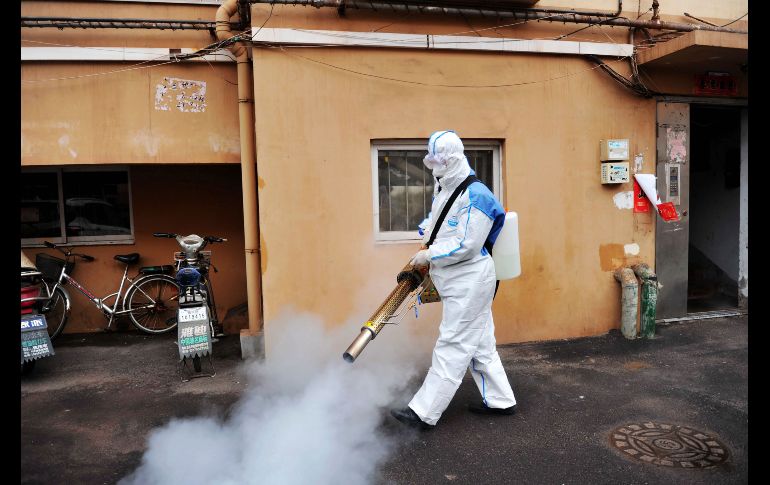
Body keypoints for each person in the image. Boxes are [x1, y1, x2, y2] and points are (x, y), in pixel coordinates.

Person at [390, 130, 517, 430]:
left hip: (470, 280)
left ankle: (423, 413)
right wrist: (426, 233)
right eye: (431, 161)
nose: (432, 167)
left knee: (454, 343)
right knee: (481, 344)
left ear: (451, 159)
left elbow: (467, 245)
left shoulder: (478, 195)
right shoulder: (446, 188)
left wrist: (428, 255)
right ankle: (501, 400)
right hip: (455, 279)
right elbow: (441, 222)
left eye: (437, 162)